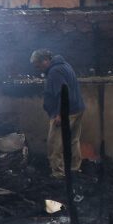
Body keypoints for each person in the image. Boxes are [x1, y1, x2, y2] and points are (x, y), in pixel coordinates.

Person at [30, 49, 85, 178]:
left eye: (38, 65)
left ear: (45, 60)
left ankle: (58, 173)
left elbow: (62, 93)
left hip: (66, 113)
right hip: (77, 109)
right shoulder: (65, 65)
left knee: (55, 143)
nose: (38, 69)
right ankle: (74, 168)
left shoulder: (54, 72)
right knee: (73, 140)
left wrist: (60, 114)